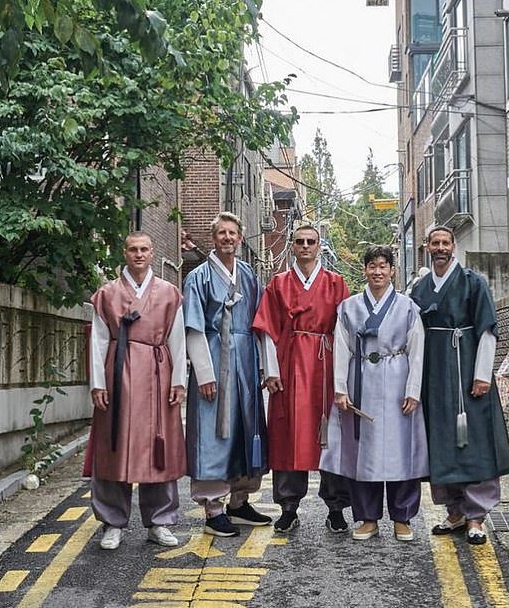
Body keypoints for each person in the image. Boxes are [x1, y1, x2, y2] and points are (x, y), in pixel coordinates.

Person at [410, 226, 509, 545]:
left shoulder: (473, 282)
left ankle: (477, 516)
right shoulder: (420, 287)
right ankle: (454, 512)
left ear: (453, 246)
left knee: (473, 440)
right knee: (440, 440)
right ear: (427, 247)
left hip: (466, 368)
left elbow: (487, 331)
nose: (440, 248)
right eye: (435, 243)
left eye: (445, 242)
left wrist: (482, 374)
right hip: (433, 375)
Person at [320, 245, 428, 541]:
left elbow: (417, 351)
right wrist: (340, 389)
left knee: (401, 452)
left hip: (397, 380)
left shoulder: (407, 306)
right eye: (372, 266)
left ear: (392, 270)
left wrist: (413, 390)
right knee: (362, 453)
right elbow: (341, 348)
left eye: (383, 266)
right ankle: (367, 518)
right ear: (364, 270)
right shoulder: (349, 306)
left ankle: (402, 517)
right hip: (361, 381)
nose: (378, 271)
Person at [89, 231, 187, 551]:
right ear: (124, 252)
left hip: (158, 373)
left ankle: (159, 522)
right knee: (113, 446)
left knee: (160, 445)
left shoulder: (169, 293)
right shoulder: (108, 293)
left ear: (152, 252)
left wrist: (179, 380)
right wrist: (97, 383)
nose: (139, 255)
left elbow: (177, 339)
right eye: (133, 249)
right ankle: (112, 522)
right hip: (118, 375)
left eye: (144, 249)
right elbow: (99, 341)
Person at [253, 225, 351, 534]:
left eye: (311, 241)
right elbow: (266, 329)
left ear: (319, 246)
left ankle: (336, 507)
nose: (305, 246)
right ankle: (288, 506)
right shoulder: (278, 283)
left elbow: (347, 333)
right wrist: (270, 370)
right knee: (287, 434)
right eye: (299, 241)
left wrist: (345, 378)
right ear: (292, 246)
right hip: (290, 361)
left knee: (330, 436)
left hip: (326, 362)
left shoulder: (336, 283)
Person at [183, 212, 270, 537]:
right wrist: (203, 373)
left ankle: (239, 500)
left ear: (240, 237)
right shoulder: (199, 277)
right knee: (213, 432)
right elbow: (193, 327)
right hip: (214, 358)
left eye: (233, 233)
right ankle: (213, 508)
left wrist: (264, 365)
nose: (228, 238)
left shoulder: (248, 275)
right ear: (214, 238)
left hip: (244, 362)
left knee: (246, 429)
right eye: (222, 233)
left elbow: (261, 325)